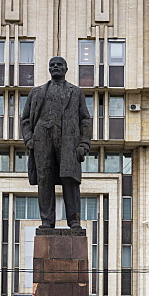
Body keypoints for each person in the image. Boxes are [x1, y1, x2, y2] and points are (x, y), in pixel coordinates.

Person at [20, 56, 92, 230]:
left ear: (66, 69)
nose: (56, 67)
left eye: (59, 65)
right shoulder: (36, 92)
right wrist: (29, 138)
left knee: (70, 180)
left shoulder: (76, 92)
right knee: (45, 180)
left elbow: (85, 120)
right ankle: (47, 221)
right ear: (49, 69)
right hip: (42, 141)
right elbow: (26, 119)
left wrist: (84, 144)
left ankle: (74, 221)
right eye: (52, 65)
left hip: (68, 142)